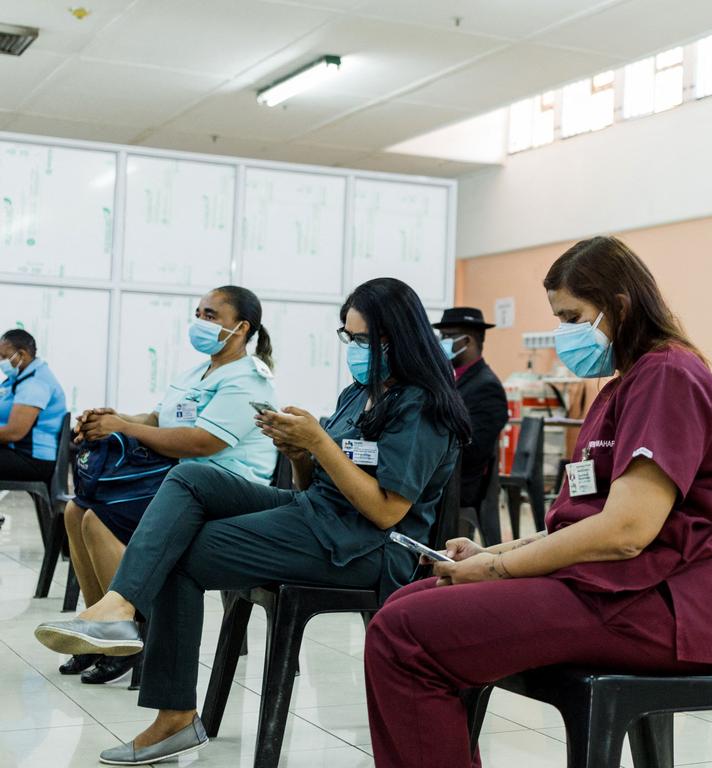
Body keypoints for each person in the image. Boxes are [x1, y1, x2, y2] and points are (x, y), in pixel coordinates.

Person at [34, 277, 470, 766]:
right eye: (350, 338)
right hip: (318, 515)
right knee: (195, 478)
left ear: (401, 338)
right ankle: (118, 608)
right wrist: (301, 453)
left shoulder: (421, 406)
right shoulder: (357, 393)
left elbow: (387, 510)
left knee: (179, 555)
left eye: (367, 340)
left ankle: (173, 713)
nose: (357, 349)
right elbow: (311, 487)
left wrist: (320, 443)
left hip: (368, 547)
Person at [362, 236, 712, 768]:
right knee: (404, 605)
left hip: (658, 606)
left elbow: (625, 532)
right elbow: (582, 518)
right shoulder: (624, 384)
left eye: (573, 316)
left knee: (403, 636)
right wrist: (491, 554)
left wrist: (500, 569)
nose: (564, 333)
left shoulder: (668, 375)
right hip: (614, 589)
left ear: (619, 305)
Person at [57, 285, 280, 686]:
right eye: (199, 313)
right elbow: (160, 419)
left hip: (227, 492)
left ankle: (128, 633)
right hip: (180, 482)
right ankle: (99, 630)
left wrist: (124, 428)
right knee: (77, 508)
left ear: (242, 327)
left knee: (99, 517)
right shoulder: (197, 372)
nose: (200, 322)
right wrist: (114, 418)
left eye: (211, 316)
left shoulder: (249, 381)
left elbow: (202, 441)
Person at [433, 307, 509, 509]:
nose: (441, 342)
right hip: (443, 477)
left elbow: (473, 450)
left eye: (447, 336)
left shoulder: (486, 387)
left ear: (467, 341)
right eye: (441, 336)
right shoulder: (451, 379)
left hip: (460, 486)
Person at [0, 329, 68, 481]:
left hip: (31, 459)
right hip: (14, 451)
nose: (1, 361)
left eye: (4, 356)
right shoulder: (19, 378)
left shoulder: (35, 383)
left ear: (22, 354)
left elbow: (14, 432)